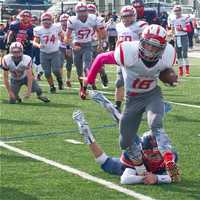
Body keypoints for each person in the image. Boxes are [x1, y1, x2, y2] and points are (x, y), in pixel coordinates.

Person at [84, 24, 179, 182]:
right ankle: (140, 166)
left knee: (155, 123)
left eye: (155, 48)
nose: (150, 50)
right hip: (133, 98)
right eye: (148, 45)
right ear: (141, 42)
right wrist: (89, 80)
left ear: (163, 48)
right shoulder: (127, 52)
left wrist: (170, 77)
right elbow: (101, 58)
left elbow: (165, 73)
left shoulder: (168, 55)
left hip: (152, 94)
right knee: (125, 141)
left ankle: (168, 159)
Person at [73, 109, 179, 185]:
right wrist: (144, 178)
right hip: (133, 161)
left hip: (142, 152)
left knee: (131, 136)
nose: (155, 158)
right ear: (144, 152)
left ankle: (117, 116)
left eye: (157, 155)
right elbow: (125, 179)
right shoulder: (135, 155)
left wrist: (156, 178)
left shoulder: (169, 155)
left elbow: (175, 177)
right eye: (151, 155)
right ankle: (89, 136)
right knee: (103, 161)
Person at [65, 2, 107, 99]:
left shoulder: (92, 19)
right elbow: (66, 37)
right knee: (79, 70)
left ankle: (84, 88)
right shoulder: (72, 20)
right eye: (80, 12)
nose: (83, 14)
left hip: (88, 45)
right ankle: (82, 86)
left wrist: (100, 44)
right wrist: (71, 46)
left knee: (86, 67)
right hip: (77, 45)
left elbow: (99, 32)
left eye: (84, 11)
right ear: (76, 12)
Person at [114, 5, 148, 112]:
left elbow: (146, 42)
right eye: (124, 16)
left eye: (129, 16)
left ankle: (142, 105)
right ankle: (117, 106)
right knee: (119, 82)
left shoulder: (141, 25)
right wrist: (116, 52)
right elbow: (118, 40)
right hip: (122, 58)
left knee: (135, 84)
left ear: (134, 16)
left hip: (135, 59)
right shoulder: (119, 26)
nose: (127, 19)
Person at [33, 12, 64, 93]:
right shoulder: (38, 29)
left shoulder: (57, 27)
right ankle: (52, 86)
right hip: (44, 53)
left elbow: (62, 35)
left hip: (55, 52)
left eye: (48, 20)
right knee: (47, 72)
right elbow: (35, 41)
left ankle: (59, 79)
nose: (46, 22)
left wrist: (64, 40)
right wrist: (39, 45)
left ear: (52, 20)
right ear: (41, 21)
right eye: (44, 20)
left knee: (56, 70)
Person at [170, 5, 191, 77]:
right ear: (173, 11)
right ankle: (180, 70)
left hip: (184, 36)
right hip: (177, 37)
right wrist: (173, 36)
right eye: (175, 10)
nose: (177, 12)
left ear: (181, 11)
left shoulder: (185, 18)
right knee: (178, 55)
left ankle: (187, 71)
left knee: (184, 53)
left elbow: (189, 29)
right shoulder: (172, 19)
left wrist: (182, 29)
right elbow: (172, 29)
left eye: (178, 10)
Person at [59, 13, 73, 88]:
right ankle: (61, 81)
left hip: (70, 47)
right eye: (63, 21)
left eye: (66, 21)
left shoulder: (71, 28)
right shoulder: (58, 28)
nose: (64, 22)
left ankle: (68, 79)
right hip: (60, 47)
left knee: (69, 65)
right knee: (60, 64)